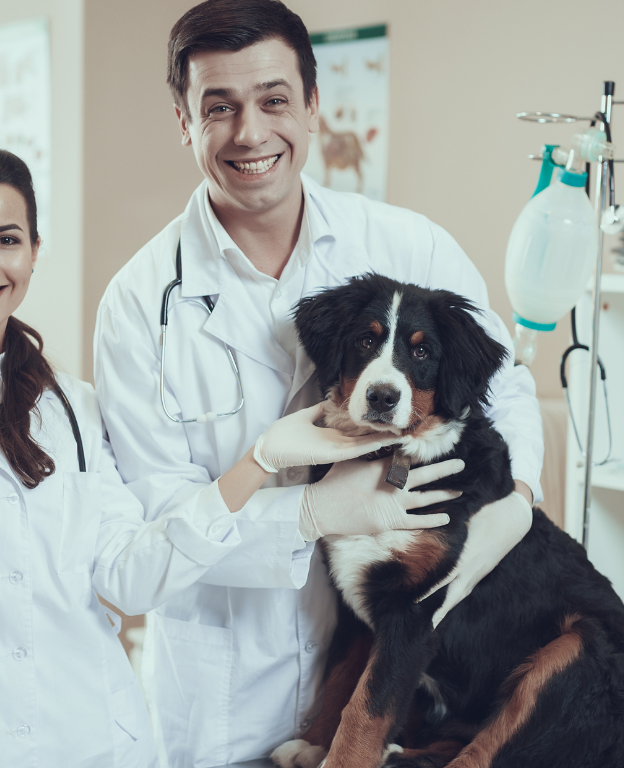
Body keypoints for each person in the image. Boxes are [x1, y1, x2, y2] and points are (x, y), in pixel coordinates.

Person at [0, 142, 455, 767]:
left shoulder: (72, 408)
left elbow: (131, 580)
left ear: (35, 251)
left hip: (92, 737)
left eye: (6, 239)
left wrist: (262, 462)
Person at [92, 1, 546, 765]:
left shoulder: (406, 243)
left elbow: (509, 390)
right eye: (219, 107)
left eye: (273, 99)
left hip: (388, 670)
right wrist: (308, 512)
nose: (249, 132)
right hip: (222, 685)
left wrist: (517, 507)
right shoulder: (139, 304)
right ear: (183, 121)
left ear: (312, 105)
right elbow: (162, 513)